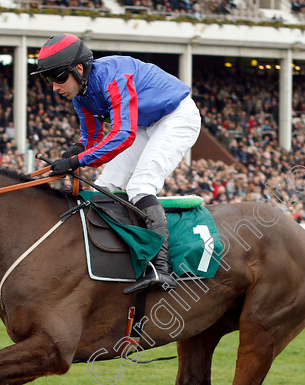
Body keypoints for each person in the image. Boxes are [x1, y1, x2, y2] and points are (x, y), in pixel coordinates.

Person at [32, 33, 202, 294]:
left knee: (140, 186)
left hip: (176, 117)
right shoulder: (81, 95)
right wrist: (71, 156)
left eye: (58, 77)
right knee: (105, 186)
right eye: (48, 79)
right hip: (143, 124)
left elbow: (122, 135)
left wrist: (76, 161)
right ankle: (114, 257)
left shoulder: (114, 78)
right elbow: (90, 139)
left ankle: (161, 268)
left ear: (78, 69)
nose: (54, 87)